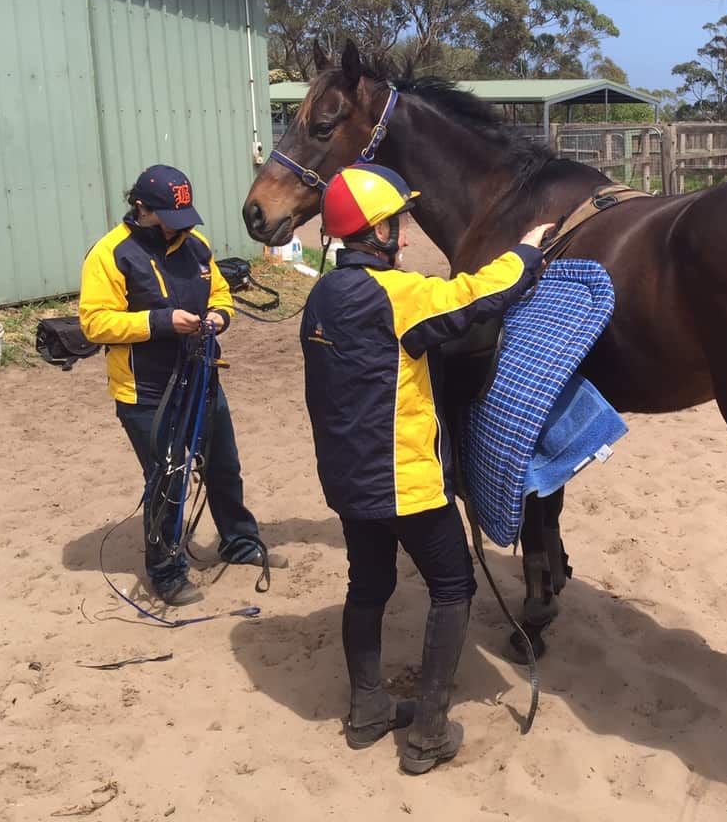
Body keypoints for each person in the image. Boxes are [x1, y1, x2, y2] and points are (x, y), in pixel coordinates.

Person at [301, 163, 550, 774]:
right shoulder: (398, 296)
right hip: (404, 482)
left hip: (346, 481)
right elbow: (473, 298)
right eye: (397, 225)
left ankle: (367, 712)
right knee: (453, 586)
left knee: (368, 585)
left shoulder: (320, 296)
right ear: (373, 231)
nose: (405, 237)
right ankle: (431, 734)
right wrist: (527, 249)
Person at [80, 165, 284, 607]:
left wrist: (218, 317)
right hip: (147, 392)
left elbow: (221, 294)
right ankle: (166, 571)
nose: (182, 225)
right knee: (168, 478)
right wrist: (161, 322)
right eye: (171, 217)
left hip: (202, 377)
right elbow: (94, 323)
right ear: (141, 208)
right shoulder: (111, 254)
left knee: (224, 466)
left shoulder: (197, 247)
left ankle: (238, 540)